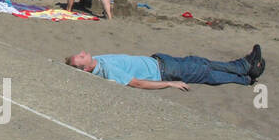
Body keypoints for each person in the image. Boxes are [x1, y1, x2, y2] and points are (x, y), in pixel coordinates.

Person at [65, 45, 264, 90]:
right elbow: (137, 83)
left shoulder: (96, 62)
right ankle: (245, 66)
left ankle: (245, 77)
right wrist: (170, 84)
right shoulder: (107, 71)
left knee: (203, 69)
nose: (83, 53)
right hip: (164, 71)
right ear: (84, 70)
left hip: (160, 62)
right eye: (80, 57)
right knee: (203, 68)